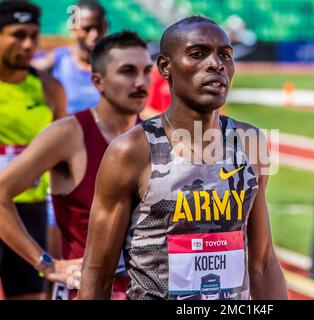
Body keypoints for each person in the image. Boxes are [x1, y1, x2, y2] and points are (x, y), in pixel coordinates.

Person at [78, 16, 287, 300]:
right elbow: (97, 272)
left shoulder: (250, 143)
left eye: (225, 55)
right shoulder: (132, 151)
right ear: (166, 67)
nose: (216, 64)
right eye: (198, 54)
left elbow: (263, 263)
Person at [0, 31, 152, 300]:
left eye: (146, 71)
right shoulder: (68, 134)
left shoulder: (157, 135)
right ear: (98, 81)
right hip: (81, 291)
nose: (141, 82)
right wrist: (46, 263)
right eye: (128, 71)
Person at [0, 0, 66, 300]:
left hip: (30, 211)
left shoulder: (50, 88)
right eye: (17, 34)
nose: (28, 44)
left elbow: (64, 155)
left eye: (33, 35)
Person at [32, 0, 107, 114]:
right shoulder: (58, 60)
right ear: (73, 28)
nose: (94, 35)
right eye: (87, 29)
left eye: (99, 28)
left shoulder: (113, 64)